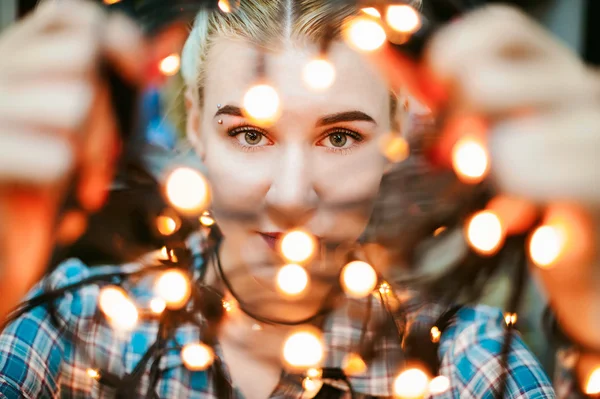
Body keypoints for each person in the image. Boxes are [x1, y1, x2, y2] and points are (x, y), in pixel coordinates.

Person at [0, 0, 594, 398]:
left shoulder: (468, 359)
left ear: (394, 141)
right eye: (249, 133)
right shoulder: (70, 324)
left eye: (340, 137)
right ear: (195, 131)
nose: (290, 195)